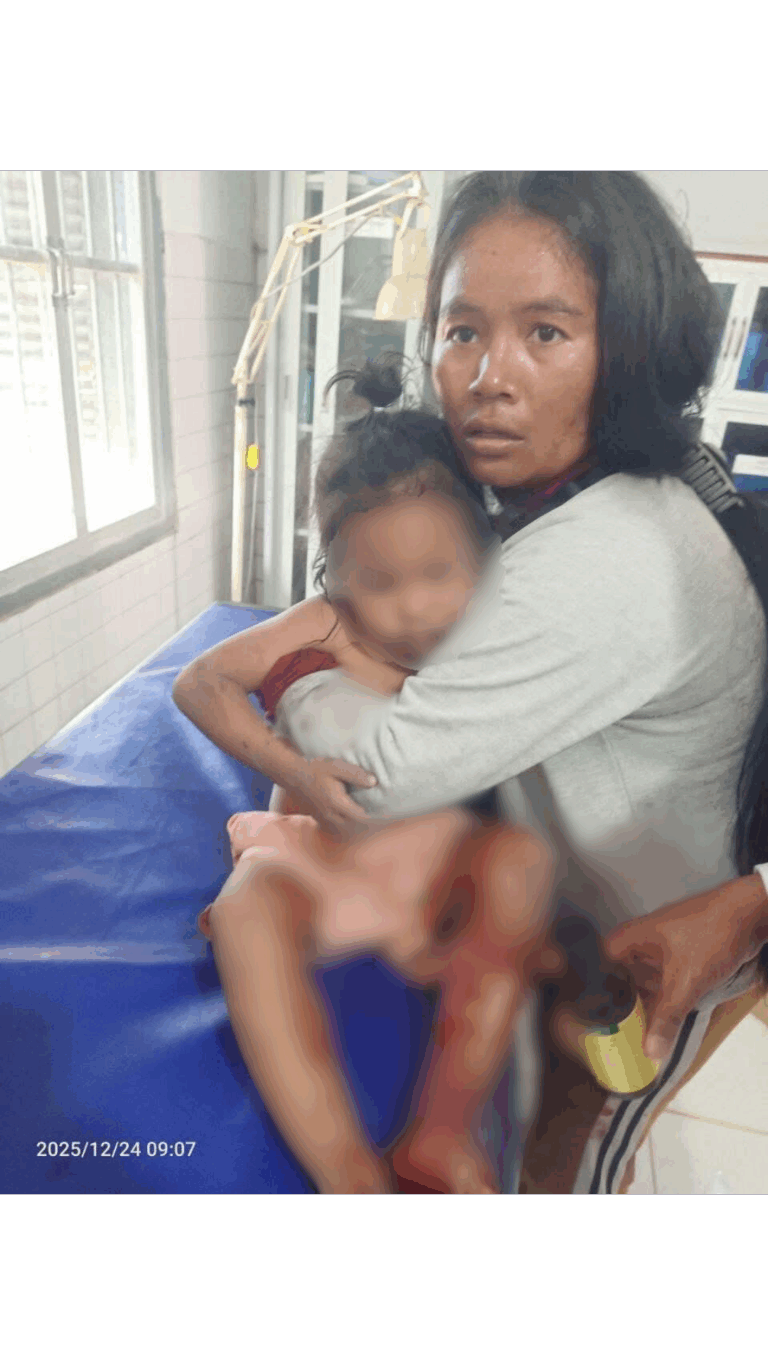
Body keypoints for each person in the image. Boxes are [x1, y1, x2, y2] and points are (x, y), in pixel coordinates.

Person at [178, 170, 768, 1195]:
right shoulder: (536, 497)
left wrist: (308, 659)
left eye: (546, 333)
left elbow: (384, 778)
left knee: (561, 1167)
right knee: (272, 896)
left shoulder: (612, 548)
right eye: (461, 331)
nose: (488, 377)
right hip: (545, 882)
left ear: (626, 345)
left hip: (628, 962)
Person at [175, 365, 562, 1195]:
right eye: (379, 581)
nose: (414, 608)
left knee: (520, 864)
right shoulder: (331, 625)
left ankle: (442, 1133)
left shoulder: (498, 631)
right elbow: (198, 682)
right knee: (245, 913)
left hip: (425, 872)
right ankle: (348, 1171)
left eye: (440, 572)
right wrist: (291, 768)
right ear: (338, 574)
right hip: (319, 862)